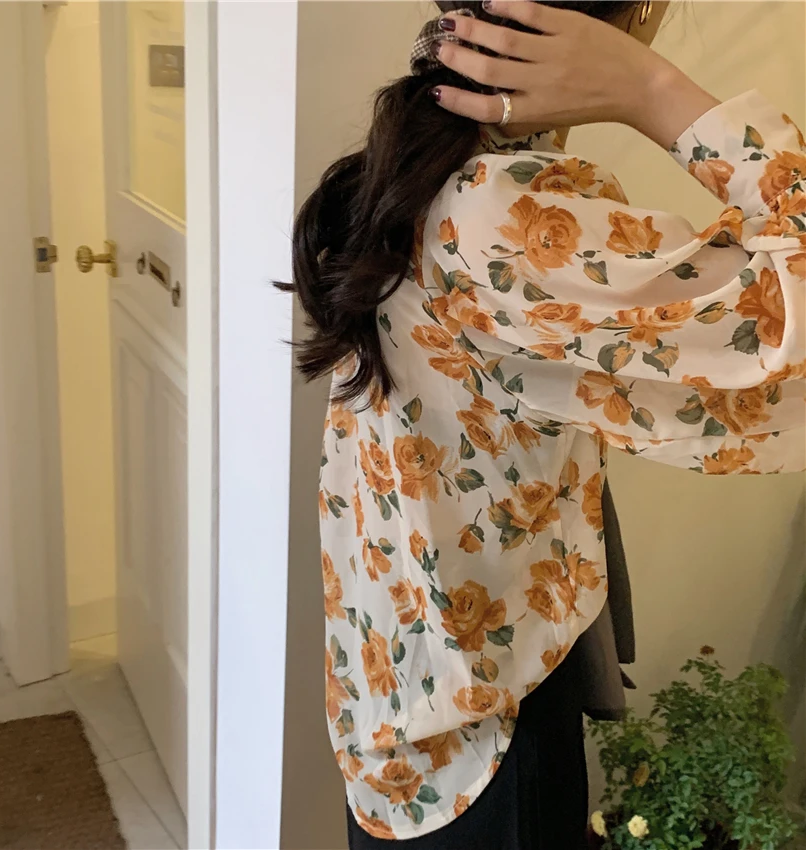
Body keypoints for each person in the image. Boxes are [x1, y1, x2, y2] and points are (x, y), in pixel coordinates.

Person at [279, 1, 806, 847]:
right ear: (640, 13)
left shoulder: (411, 166)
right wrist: (651, 90)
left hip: (398, 693)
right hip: (480, 737)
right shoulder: (502, 214)